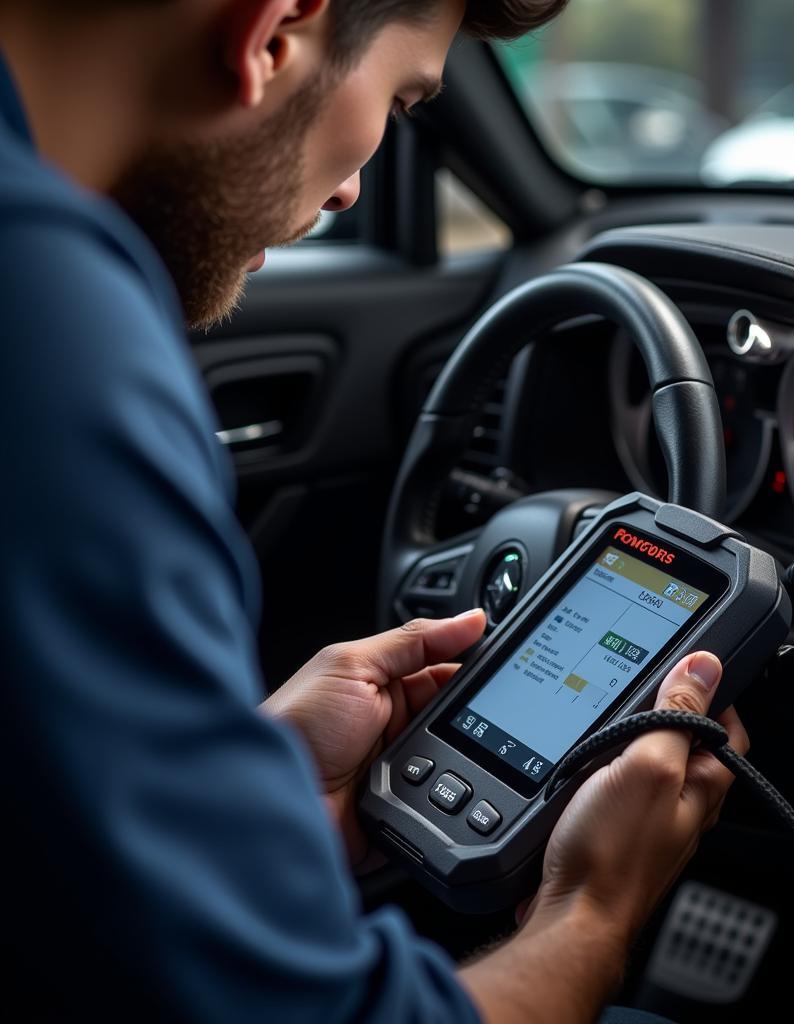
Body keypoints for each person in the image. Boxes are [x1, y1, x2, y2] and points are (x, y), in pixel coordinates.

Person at [0, 1, 749, 1021]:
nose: (356, 183)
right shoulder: (54, 333)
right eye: (400, 98)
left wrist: (253, 788)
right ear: (277, 30)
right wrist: (594, 908)